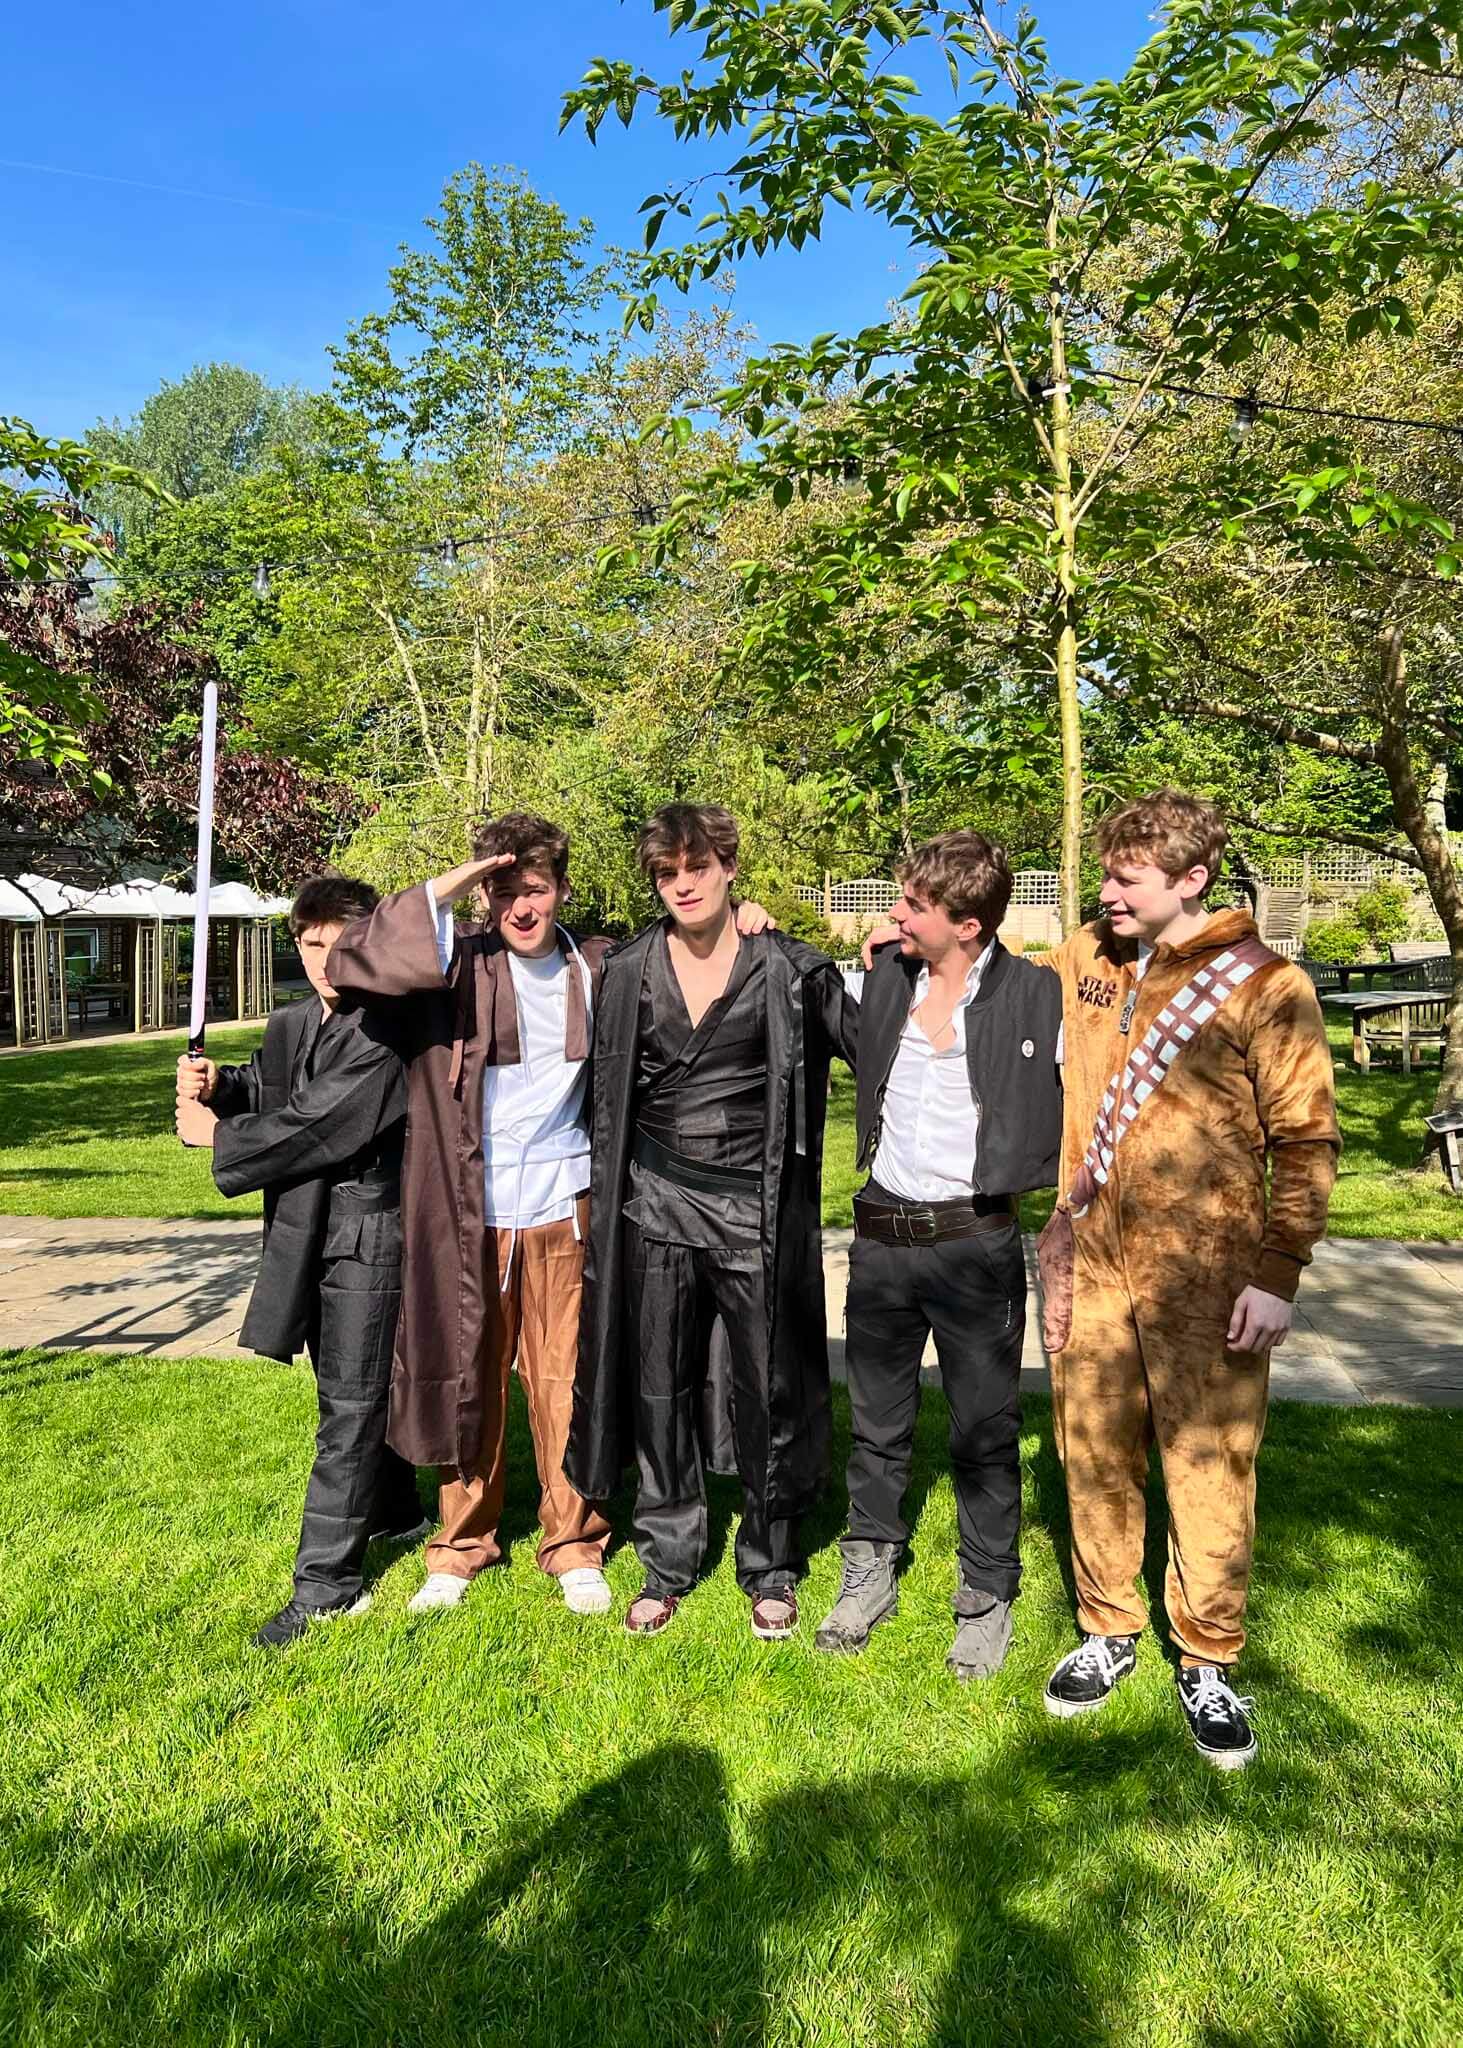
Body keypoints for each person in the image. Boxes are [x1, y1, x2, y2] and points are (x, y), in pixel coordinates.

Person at [323, 813, 774, 1620]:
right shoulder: (452, 964)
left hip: (567, 1210)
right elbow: (355, 963)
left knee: (569, 1381)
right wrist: (450, 885)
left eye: (534, 889)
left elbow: (691, 955)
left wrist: (743, 919)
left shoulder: (600, 966)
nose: (521, 908)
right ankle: (461, 1543)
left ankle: (574, 1540)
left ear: (561, 889)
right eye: (503, 892)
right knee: (467, 1379)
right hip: (469, 1215)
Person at [1036, 790, 1339, 1768]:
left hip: (1209, 1271)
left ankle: (1205, 1655)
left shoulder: (1266, 985)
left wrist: (1277, 1270)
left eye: (1126, 877)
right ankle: (1106, 1626)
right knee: (1089, 1444)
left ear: (1189, 879)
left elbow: (1305, 1137)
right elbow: (984, 985)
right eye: (1105, 872)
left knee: (1207, 1461)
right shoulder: (1085, 955)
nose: (1105, 891)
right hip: (1088, 1250)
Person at [566, 803, 858, 1641]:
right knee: (659, 1384)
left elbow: (883, 1051)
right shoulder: (626, 969)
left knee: (765, 1384)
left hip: (752, 1210)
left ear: (729, 868)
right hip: (654, 1204)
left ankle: (770, 1560)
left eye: (697, 867)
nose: (682, 884)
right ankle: (667, 1557)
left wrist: (894, 964)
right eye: (666, 873)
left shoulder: (788, 970)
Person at [814, 832, 1062, 1680]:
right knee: (875, 1427)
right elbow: (811, 995)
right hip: (881, 1240)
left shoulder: (1036, 997)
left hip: (974, 1245)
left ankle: (985, 1595)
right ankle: (869, 1570)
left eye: (910, 905)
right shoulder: (885, 980)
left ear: (964, 924)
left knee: (983, 1431)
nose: (892, 914)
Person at [175, 873, 424, 1649]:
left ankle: (326, 1589)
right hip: (308, 1228)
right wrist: (222, 1086)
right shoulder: (293, 1021)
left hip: (370, 1234)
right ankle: (397, 1512)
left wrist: (212, 1138)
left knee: (346, 1410)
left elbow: (320, 1123)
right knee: (346, 1393)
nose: (325, 960)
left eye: (342, 944)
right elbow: (276, 1086)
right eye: (311, 944)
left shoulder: (387, 1029)